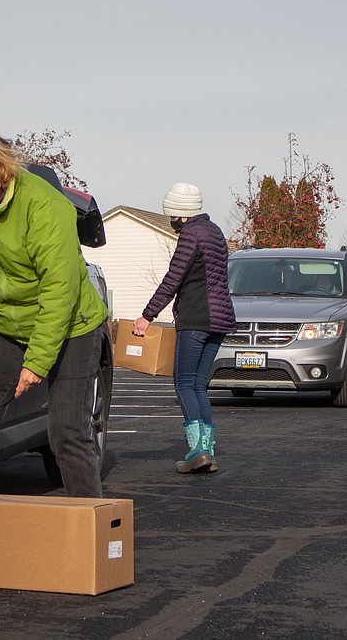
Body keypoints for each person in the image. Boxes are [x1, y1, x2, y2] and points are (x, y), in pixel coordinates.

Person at [0, 123, 109, 498]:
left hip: (71, 328)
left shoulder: (43, 205)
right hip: (6, 328)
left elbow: (59, 289)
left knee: (66, 433)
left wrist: (37, 363)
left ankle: (91, 541)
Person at [134, 182, 235, 474]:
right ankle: (208, 450)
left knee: (183, 382)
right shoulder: (214, 231)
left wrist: (147, 315)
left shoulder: (191, 234)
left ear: (180, 213)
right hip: (221, 319)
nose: (170, 220)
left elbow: (173, 278)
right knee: (198, 385)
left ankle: (197, 451)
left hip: (197, 318)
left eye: (171, 215)